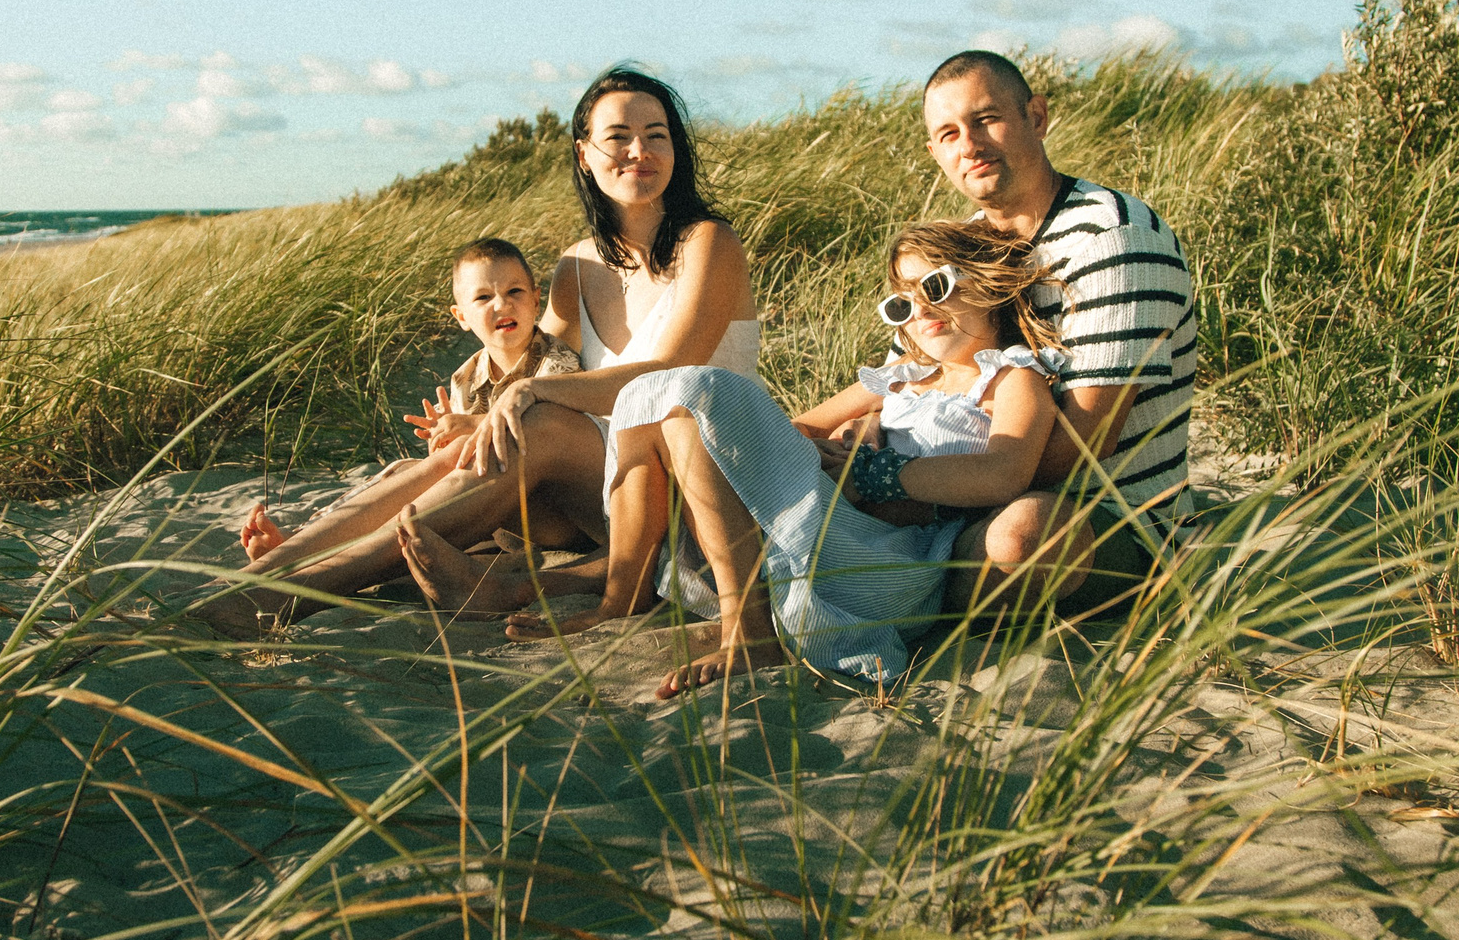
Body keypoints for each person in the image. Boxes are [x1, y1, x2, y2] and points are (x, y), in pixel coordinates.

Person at [203, 66, 758, 633]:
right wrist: (476, 418)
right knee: (468, 450)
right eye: (618, 136)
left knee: (535, 426)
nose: (639, 151)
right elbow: (528, 357)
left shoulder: (708, 242)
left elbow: (667, 374)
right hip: (609, 494)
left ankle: (281, 597)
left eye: (656, 135)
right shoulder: (577, 265)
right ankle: (267, 569)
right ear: (584, 154)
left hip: (706, 486)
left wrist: (529, 392)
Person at [500, 222, 1065, 697]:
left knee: (699, 387)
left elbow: (1003, 473)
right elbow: (796, 427)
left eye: (935, 287)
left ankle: (750, 633)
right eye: (902, 303)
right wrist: (832, 442)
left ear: (987, 284)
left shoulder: (1009, 379)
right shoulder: (899, 378)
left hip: (895, 564)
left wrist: (872, 474)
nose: (920, 310)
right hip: (833, 529)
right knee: (658, 400)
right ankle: (623, 597)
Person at [919, 50, 1197, 613]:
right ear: (935, 153)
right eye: (949, 134)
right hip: (961, 489)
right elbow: (917, 374)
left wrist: (909, 490)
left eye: (986, 120)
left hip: (1111, 520)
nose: (969, 145)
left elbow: (1086, 442)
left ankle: (883, 598)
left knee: (1024, 537)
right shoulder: (961, 250)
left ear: (1037, 118)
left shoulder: (1113, 239)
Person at [211, 237, 579, 630]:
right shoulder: (467, 376)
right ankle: (306, 544)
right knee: (405, 470)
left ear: (536, 299)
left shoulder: (556, 364)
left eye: (514, 292)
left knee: (440, 475)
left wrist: (471, 427)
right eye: (483, 297)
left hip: (548, 508)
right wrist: (446, 436)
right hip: (491, 519)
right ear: (461, 316)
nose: (501, 305)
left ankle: (307, 565)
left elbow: (548, 435)